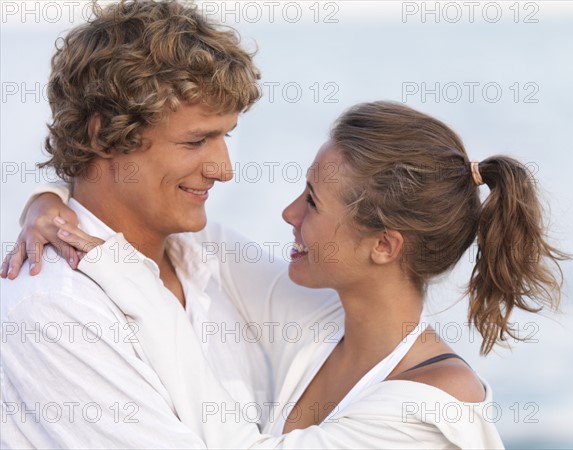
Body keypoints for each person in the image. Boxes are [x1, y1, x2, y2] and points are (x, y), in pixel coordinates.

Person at [4, 100, 567, 447]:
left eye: (313, 202)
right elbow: (145, 218)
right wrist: (47, 202)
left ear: (384, 245)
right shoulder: (312, 320)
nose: (289, 213)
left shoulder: (429, 409)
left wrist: (132, 288)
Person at [0, 1, 343, 447]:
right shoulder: (56, 310)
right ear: (103, 136)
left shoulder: (205, 254)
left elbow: (354, 321)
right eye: (197, 141)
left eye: (226, 135)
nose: (224, 169)